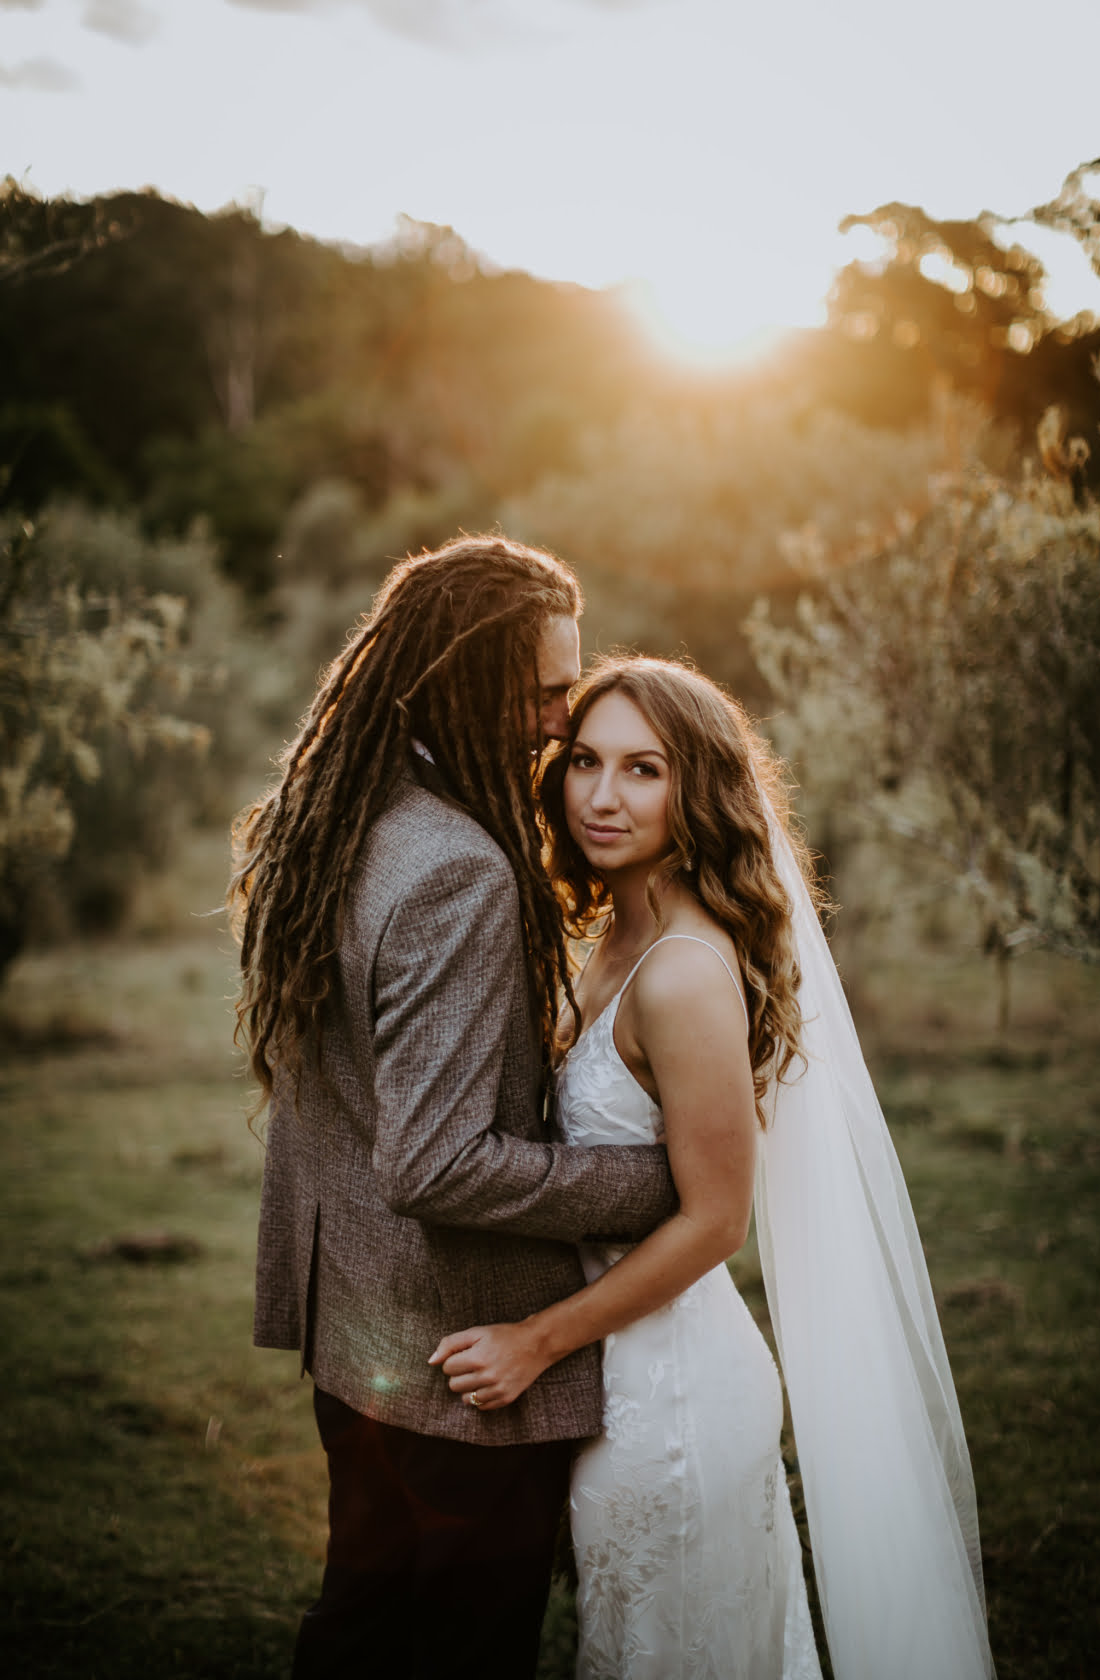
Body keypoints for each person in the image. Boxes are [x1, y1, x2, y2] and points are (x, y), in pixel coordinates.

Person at [432, 656, 997, 1680]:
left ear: (696, 788)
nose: (602, 796)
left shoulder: (683, 972)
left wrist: (531, 1343)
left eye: (643, 769)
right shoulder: (615, 937)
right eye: (586, 761)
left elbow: (716, 1221)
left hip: (673, 1403)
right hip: (616, 1380)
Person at [230, 539, 677, 1680]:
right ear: (462, 678)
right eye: (541, 692)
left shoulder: (340, 812)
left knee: (363, 1625)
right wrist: (651, 1183)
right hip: (456, 1359)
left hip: (360, 1329)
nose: (557, 722)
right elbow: (434, 1165)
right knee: (457, 1649)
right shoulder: (458, 868)